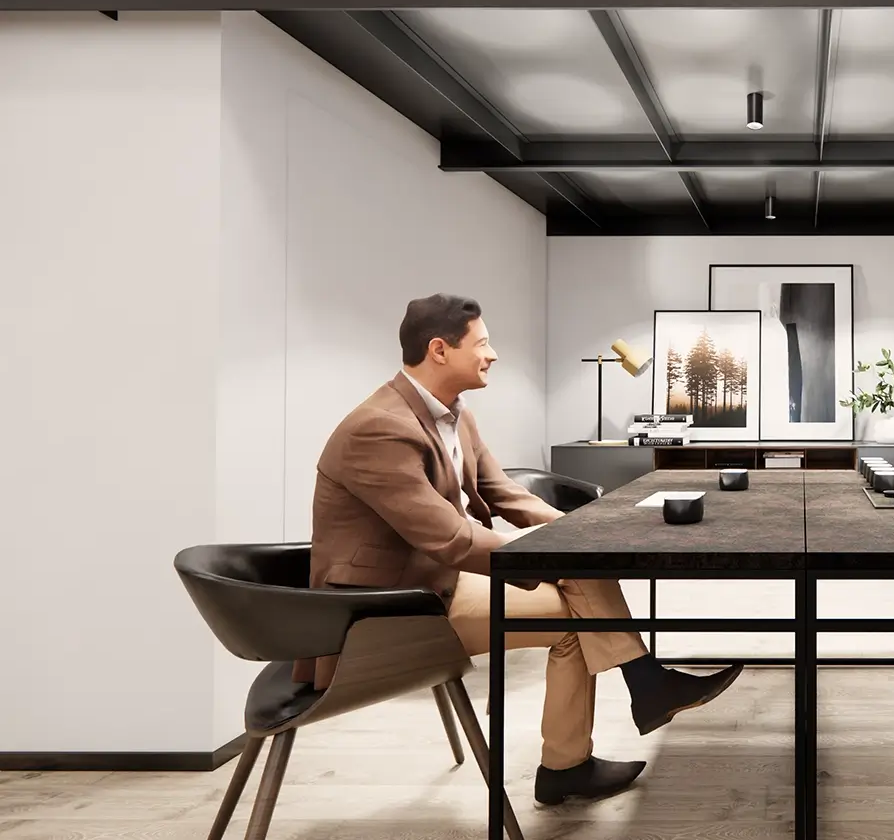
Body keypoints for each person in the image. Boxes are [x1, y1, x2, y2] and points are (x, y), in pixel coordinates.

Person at [290, 293, 744, 806]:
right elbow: (450, 538)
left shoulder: (455, 415)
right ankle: (607, 723)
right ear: (439, 350)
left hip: (438, 580)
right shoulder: (380, 428)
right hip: (388, 610)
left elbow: (503, 492)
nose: (494, 354)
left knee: (580, 577)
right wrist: (558, 551)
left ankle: (609, 723)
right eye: (482, 343)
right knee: (579, 609)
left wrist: (584, 531)